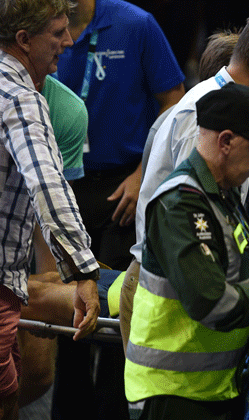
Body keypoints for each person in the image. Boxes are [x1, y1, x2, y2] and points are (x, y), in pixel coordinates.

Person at [125, 83, 249, 419]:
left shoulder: (221, 192)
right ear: (226, 141)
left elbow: (232, 252)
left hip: (210, 388)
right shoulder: (181, 204)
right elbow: (210, 300)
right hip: (173, 393)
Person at [0, 0, 102, 417]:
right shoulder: (23, 99)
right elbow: (47, 184)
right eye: (58, 32)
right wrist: (82, 271)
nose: (69, 41)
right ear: (24, 39)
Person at [56, 0, 185, 271]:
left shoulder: (137, 24)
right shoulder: (41, 28)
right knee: (63, 290)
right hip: (63, 181)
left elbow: (174, 101)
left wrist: (143, 174)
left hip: (125, 184)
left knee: (114, 293)